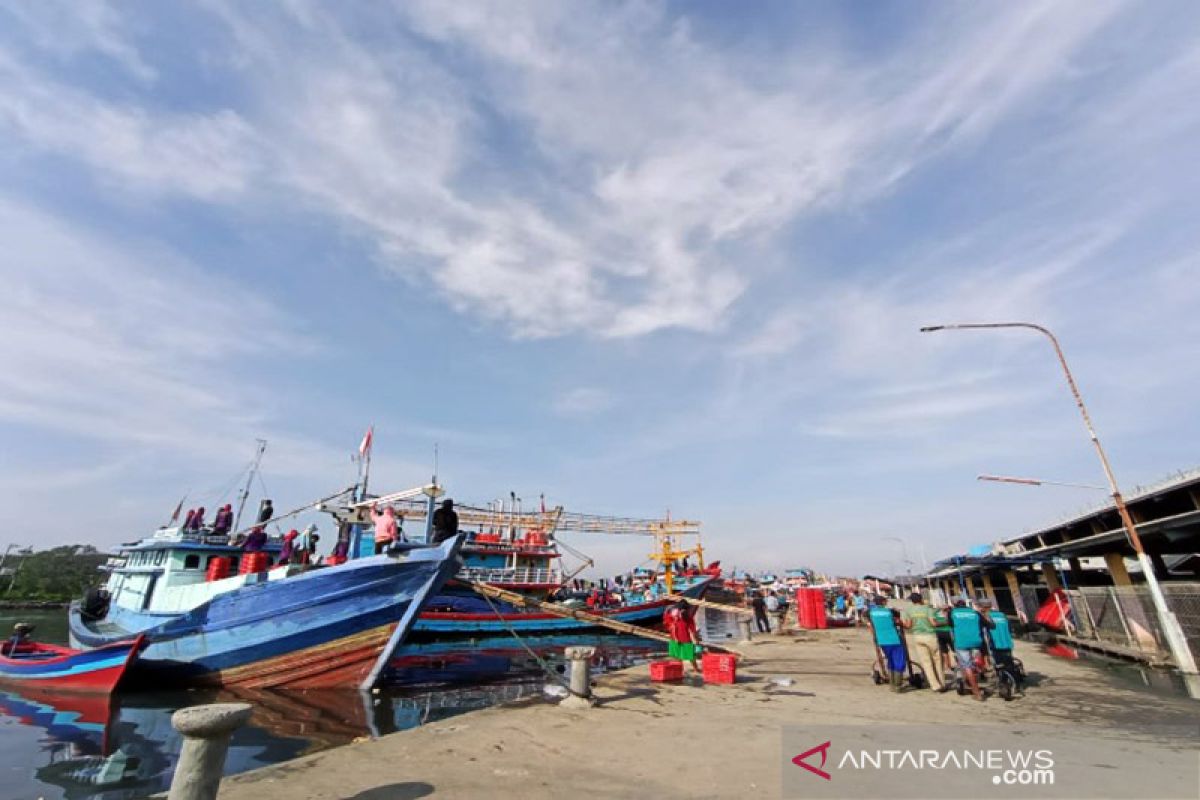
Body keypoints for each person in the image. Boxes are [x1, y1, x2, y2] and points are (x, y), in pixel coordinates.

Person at [950, 596, 994, 701]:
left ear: (954, 604)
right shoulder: (975, 613)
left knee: (967, 667)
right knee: (976, 663)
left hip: (962, 643)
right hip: (976, 642)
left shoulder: (952, 612)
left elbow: (950, 625)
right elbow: (989, 625)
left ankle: (976, 692)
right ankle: (975, 679)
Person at [902, 592, 946, 692]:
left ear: (912, 601)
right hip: (930, 636)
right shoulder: (928, 609)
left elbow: (908, 626)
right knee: (937, 660)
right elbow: (933, 623)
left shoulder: (908, 610)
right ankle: (942, 683)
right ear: (921, 599)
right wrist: (945, 622)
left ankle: (935, 685)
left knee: (926, 663)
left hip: (917, 637)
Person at [868, 596, 907, 692]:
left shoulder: (871, 612)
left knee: (891, 660)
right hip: (894, 638)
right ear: (883, 602)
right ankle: (897, 685)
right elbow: (897, 620)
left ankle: (892, 684)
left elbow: (871, 625)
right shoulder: (889, 611)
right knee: (899, 661)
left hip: (881, 640)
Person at [663, 599, 700, 672]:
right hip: (685, 639)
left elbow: (666, 623)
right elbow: (693, 631)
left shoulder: (672, 616)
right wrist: (697, 640)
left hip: (674, 639)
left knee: (677, 656)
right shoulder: (688, 618)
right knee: (691, 655)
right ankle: (696, 669)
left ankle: (679, 670)